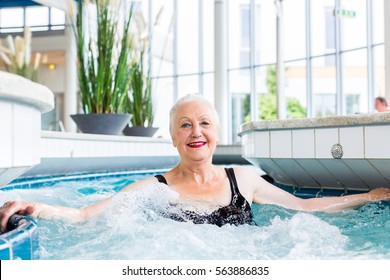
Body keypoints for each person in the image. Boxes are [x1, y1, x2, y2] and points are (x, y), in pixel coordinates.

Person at [1, 94, 390, 232]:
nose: (195, 132)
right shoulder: (156, 188)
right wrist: (40, 207)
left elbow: (305, 206)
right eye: (184, 125)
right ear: (173, 137)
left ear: (216, 132)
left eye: (204, 123)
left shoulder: (245, 179)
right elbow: (87, 215)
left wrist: (370, 195)